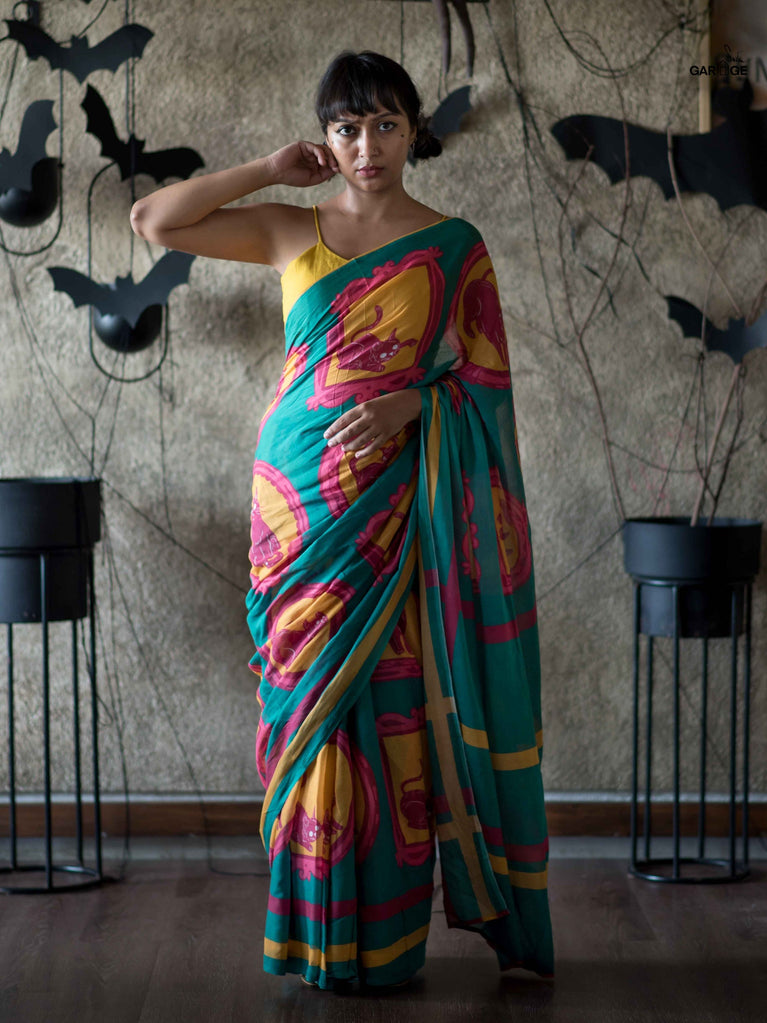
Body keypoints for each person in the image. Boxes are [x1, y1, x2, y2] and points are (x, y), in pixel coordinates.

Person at [130, 49, 553, 993]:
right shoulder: (294, 229)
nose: (367, 146)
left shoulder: (455, 248)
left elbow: (483, 388)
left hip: (394, 510)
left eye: (385, 125)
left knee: (392, 709)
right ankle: (315, 938)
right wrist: (266, 170)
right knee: (308, 714)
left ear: (413, 130)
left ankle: (388, 944)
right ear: (324, 137)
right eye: (346, 128)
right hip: (296, 509)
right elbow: (154, 219)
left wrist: (415, 405)